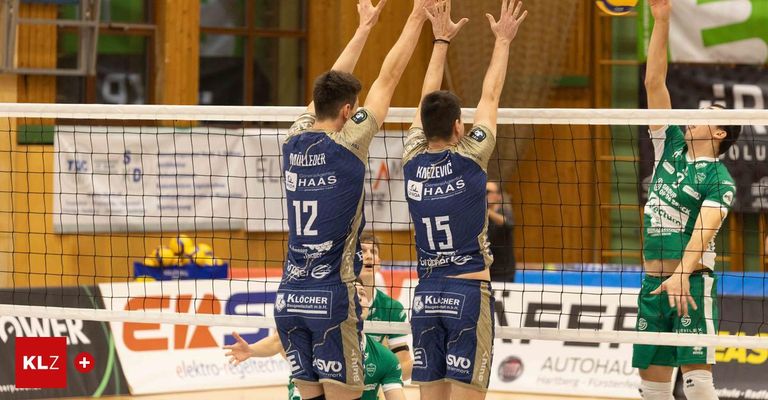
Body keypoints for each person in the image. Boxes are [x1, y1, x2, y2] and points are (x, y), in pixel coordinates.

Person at [275, 0, 430, 398]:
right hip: (332, 297)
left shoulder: (295, 137)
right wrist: (417, 15)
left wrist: (363, 28)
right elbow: (389, 76)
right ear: (347, 112)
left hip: (290, 297)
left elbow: (329, 85)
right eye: (355, 107)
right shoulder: (349, 144)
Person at [401, 1, 526, 399]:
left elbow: (426, 101)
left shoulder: (411, 157)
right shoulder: (472, 156)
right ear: (459, 126)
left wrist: (440, 40)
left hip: (426, 295)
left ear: (423, 125)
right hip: (467, 293)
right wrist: (503, 41)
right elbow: (491, 96)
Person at [635, 1, 741, 399]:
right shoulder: (669, 146)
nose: (694, 114)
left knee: (697, 384)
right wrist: (662, 21)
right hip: (652, 284)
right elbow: (653, 84)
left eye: (707, 114)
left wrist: (682, 272)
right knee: (652, 388)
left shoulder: (720, 178)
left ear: (720, 134)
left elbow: (704, 229)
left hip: (692, 282)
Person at [225, 282, 406, 400]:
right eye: (352, 293)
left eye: (362, 294)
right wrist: (251, 350)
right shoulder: (317, 339)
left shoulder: (385, 358)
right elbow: (277, 342)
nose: (358, 297)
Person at [358, 233, 413, 380]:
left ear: (379, 262)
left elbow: (404, 365)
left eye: (373, 251)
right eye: (362, 251)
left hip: (374, 387)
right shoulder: (337, 302)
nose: (368, 256)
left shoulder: (392, 308)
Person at [486, 181, 516, 282]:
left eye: (488, 191)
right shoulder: (478, 215)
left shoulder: (505, 211)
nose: (486, 194)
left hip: (503, 272)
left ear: (498, 196)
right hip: (485, 271)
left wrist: (488, 212)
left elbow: (509, 224)